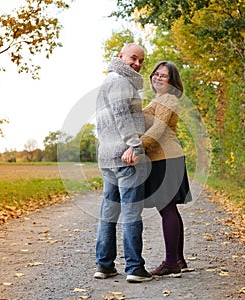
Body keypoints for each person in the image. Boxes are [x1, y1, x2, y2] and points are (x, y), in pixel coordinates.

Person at [123, 61, 192, 277]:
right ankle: (178, 260)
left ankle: (171, 262)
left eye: (164, 76)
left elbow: (159, 129)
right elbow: (143, 118)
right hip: (166, 158)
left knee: (166, 208)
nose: (158, 78)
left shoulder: (169, 98)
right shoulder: (159, 99)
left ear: (172, 82)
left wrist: (136, 148)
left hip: (167, 158)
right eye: (156, 74)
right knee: (169, 208)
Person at [94, 43, 152, 283]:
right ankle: (134, 268)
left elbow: (102, 124)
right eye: (133, 58)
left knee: (109, 213)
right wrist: (135, 145)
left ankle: (104, 265)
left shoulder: (109, 80)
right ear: (121, 57)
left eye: (141, 61)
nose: (137, 64)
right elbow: (121, 115)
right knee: (130, 212)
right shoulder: (119, 80)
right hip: (125, 156)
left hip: (108, 156)